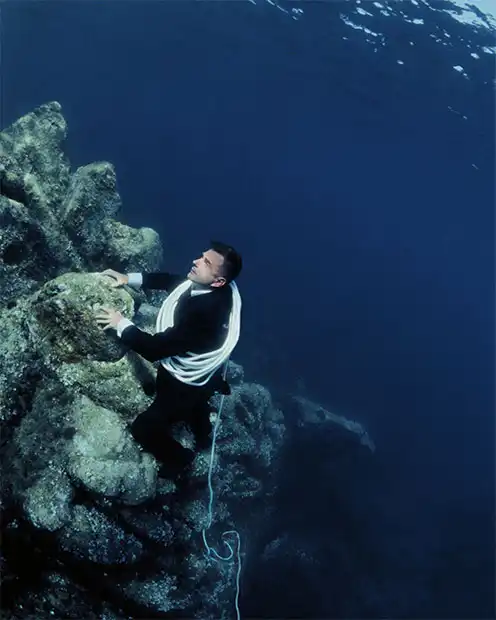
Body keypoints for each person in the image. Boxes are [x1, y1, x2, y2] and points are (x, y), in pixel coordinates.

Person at [94, 241, 242, 482]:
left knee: (143, 429)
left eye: (206, 262)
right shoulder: (216, 287)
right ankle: (203, 428)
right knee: (199, 402)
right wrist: (127, 278)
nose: (196, 261)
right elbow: (172, 281)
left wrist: (120, 323)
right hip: (204, 373)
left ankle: (181, 458)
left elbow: (155, 349)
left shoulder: (205, 314)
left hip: (184, 383)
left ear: (219, 282)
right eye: (201, 256)